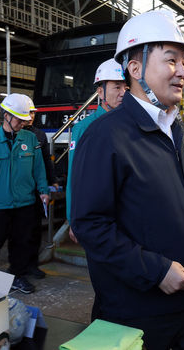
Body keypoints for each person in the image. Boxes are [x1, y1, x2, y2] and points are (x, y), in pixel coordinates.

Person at [70, 10, 184, 350]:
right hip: (139, 314)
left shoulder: (174, 129)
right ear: (136, 69)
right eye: (171, 61)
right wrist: (155, 271)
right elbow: (89, 224)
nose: (183, 73)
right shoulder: (105, 137)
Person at [0, 93, 49, 294]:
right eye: (18, 119)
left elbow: (38, 168)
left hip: (25, 203)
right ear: (6, 116)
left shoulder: (30, 139)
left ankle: (17, 276)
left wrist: (43, 190)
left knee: (21, 242)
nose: (22, 123)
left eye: (24, 119)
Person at [66, 58, 127, 242]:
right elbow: (74, 177)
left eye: (126, 87)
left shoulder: (133, 124)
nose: (123, 93)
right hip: (100, 216)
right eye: (117, 87)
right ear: (100, 92)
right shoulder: (84, 129)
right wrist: (73, 219)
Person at [23, 104, 58, 279]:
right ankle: (17, 268)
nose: (30, 116)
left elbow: (45, 161)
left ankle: (32, 265)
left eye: (32, 113)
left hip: (36, 189)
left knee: (34, 230)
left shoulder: (39, 135)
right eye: (27, 112)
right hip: (16, 191)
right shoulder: (8, 134)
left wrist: (52, 180)